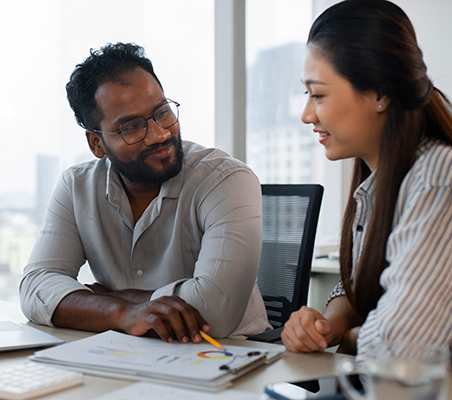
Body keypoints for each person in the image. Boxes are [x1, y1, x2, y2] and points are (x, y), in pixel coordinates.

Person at [281, 0, 452, 383]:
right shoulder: (378, 182)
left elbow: (398, 348)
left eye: (318, 95)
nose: (307, 114)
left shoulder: (440, 181)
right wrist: (330, 323)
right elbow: (360, 277)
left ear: (379, 95)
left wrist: (354, 336)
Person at [20, 42, 271, 343]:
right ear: (96, 143)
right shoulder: (77, 187)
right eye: (131, 127)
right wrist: (121, 313)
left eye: (162, 112)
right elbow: (35, 287)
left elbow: (212, 312)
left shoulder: (226, 180)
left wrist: (106, 298)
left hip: (232, 357)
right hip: (127, 352)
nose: (160, 134)